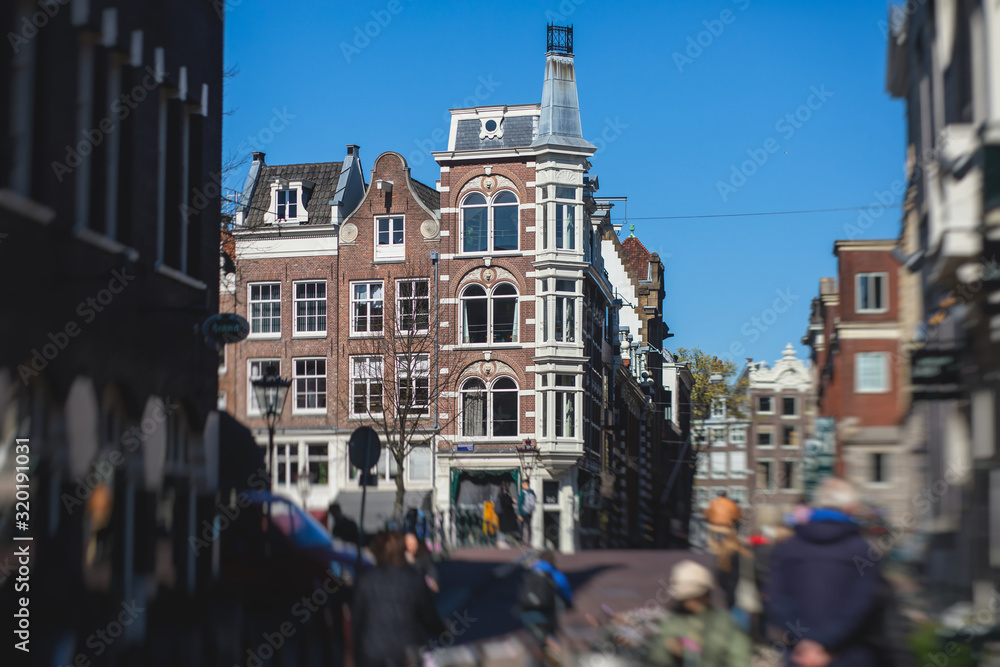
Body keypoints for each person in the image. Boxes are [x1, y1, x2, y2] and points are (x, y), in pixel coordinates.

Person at [768, 478, 882, 667]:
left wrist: (804, 643)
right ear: (851, 508)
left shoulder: (789, 547)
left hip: (800, 656)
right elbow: (861, 603)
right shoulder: (862, 550)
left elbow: (776, 598)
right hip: (846, 654)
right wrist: (825, 643)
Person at [351, 531, 447, 667]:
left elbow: (356, 622)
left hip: (372, 653)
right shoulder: (414, 580)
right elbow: (429, 617)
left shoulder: (365, 581)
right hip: (406, 652)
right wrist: (442, 630)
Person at [648, 559, 751, 666]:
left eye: (695, 596)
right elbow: (656, 658)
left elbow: (739, 657)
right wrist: (669, 651)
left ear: (706, 593)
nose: (690, 601)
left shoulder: (724, 622)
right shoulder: (672, 622)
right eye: (686, 598)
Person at [518, 550, 573, 657]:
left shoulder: (530, 571)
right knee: (550, 636)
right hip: (546, 611)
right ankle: (561, 658)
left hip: (527, 611)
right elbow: (565, 590)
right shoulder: (555, 573)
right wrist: (569, 604)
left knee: (536, 639)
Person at [517, 478, 537, 546]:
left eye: (523, 484)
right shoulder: (532, 492)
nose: (522, 485)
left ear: (525, 484)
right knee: (529, 526)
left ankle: (522, 542)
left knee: (522, 526)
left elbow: (520, 503)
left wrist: (519, 513)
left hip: (523, 512)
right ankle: (529, 541)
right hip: (530, 511)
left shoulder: (523, 492)